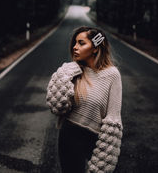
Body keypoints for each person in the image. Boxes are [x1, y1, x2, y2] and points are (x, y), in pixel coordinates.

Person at [46, 26, 123, 173]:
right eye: (75, 43)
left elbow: (114, 118)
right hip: (69, 134)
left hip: (96, 137)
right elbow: (56, 107)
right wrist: (65, 73)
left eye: (81, 43)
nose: (75, 47)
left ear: (95, 48)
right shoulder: (72, 72)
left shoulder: (112, 75)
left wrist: (106, 151)